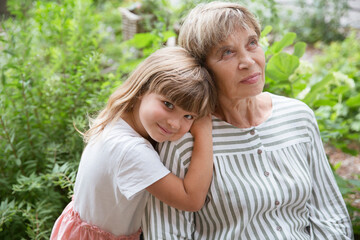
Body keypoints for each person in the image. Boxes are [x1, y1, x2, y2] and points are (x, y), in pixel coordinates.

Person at [141, 2, 354, 239]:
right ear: (203, 70)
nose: (248, 61)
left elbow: (330, 213)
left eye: (252, 43)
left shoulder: (298, 117)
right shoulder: (182, 138)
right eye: (227, 53)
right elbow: (167, 233)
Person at [50, 46, 217, 240]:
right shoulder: (130, 150)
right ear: (142, 89)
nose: (174, 123)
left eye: (188, 116)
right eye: (168, 104)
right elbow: (191, 199)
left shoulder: (116, 121)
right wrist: (204, 130)